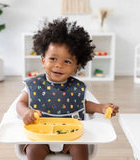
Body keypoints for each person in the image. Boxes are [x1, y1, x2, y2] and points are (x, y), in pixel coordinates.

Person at [16, 17, 119, 160]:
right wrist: (26, 112)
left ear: (76, 68)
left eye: (67, 61)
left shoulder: (76, 88)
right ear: (43, 61)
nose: (59, 65)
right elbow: (20, 103)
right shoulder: (34, 85)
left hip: (72, 136)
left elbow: (83, 105)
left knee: (81, 148)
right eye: (53, 59)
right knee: (33, 150)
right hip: (40, 135)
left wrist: (101, 108)